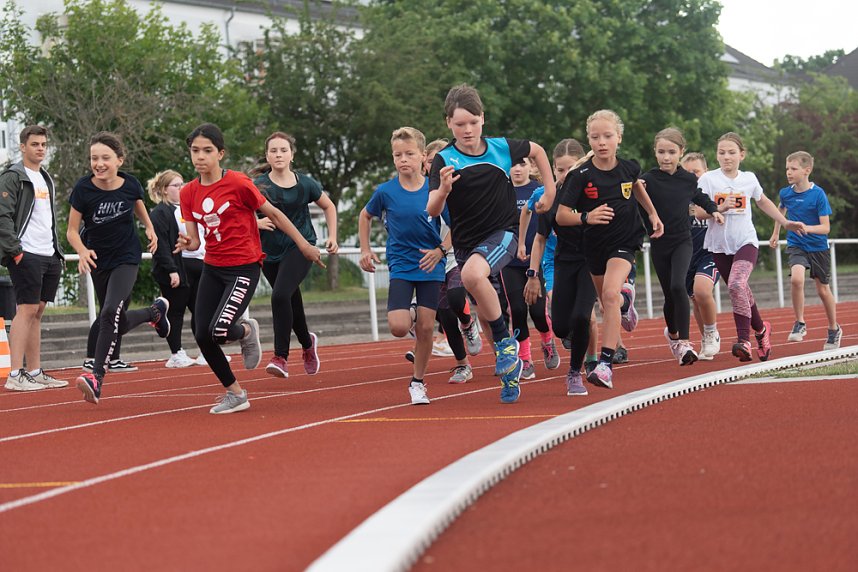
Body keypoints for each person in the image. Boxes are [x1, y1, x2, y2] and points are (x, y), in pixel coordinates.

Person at [175, 123, 323, 414]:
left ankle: (243, 331)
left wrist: (304, 245)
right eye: (195, 151)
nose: (200, 157)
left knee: (218, 330)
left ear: (220, 153)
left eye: (207, 151)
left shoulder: (239, 183)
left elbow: (275, 214)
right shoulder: (188, 192)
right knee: (202, 334)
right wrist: (186, 242)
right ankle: (236, 393)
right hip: (213, 268)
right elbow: (194, 241)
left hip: (243, 267)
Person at [427, 84, 556, 404]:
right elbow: (432, 209)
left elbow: (538, 150)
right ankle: (510, 377)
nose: (467, 130)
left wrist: (550, 192)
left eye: (473, 122)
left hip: (504, 234)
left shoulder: (501, 148)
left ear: (483, 119)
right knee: (486, 311)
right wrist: (443, 189)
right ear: (448, 124)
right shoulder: (444, 158)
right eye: (459, 124)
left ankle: (505, 344)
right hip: (467, 243)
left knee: (470, 276)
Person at [556, 109, 664, 389]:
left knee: (610, 294)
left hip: (625, 242)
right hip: (593, 246)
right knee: (607, 303)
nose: (601, 142)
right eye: (595, 137)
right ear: (588, 140)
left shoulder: (628, 167)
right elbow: (561, 215)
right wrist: (586, 217)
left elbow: (636, 187)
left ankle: (604, 364)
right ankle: (624, 303)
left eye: (608, 136)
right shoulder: (580, 175)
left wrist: (652, 214)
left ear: (619, 138)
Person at [67, 132, 171, 404]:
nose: (98, 164)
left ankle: (96, 377)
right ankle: (154, 312)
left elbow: (139, 208)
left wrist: (150, 228)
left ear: (119, 160)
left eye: (105, 158)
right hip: (99, 260)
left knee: (110, 312)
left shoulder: (131, 184)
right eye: (93, 158)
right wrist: (81, 250)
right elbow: (71, 231)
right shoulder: (83, 189)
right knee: (115, 320)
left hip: (127, 257)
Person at [696, 132, 805, 362]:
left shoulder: (749, 179)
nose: (726, 157)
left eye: (731, 152)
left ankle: (743, 340)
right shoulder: (708, 180)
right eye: (721, 152)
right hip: (719, 245)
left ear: (741, 155)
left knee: (736, 284)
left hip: (746, 241)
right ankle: (762, 330)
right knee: (740, 290)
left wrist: (785, 223)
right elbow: (697, 212)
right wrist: (719, 209)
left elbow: (763, 201)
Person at [359, 127, 446, 404]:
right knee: (398, 327)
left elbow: (456, 226)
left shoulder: (436, 191)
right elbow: (365, 215)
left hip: (431, 264)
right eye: (398, 155)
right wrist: (365, 249)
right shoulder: (385, 191)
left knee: (426, 329)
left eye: (409, 154)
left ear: (423, 156)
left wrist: (441, 250)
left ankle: (417, 382)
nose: (403, 159)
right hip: (401, 263)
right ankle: (410, 310)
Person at [253, 132, 338, 378]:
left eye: (283, 150)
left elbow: (329, 206)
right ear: (267, 155)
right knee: (291, 299)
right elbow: (242, 213)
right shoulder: (258, 186)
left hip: (301, 247)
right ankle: (307, 343)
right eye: (273, 151)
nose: (278, 155)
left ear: (292, 154)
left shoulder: (305, 183)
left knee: (279, 295)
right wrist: (256, 224)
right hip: (269, 251)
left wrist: (332, 236)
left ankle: (280, 357)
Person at [642, 128, 724, 365]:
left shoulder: (688, 179)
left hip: (682, 241)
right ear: (655, 153)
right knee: (669, 295)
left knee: (679, 286)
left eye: (671, 152)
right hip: (659, 243)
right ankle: (674, 336)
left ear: (681, 152)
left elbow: (700, 197)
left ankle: (685, 343)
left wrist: (715, 210)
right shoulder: (647, 180)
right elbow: (635, 204)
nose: (666, 157)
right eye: (661, 152)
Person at [522, 139, 595, 396]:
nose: (565, 175)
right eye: (559, 169)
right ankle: (570, 339)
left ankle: (576, 373)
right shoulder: (548, 199)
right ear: (552, 169)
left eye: (569, 169)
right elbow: (540, 239)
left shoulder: (590, 192)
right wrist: (532, 275)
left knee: (582, 317)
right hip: (562, 263)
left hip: (590, 262)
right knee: (562, 326)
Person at [0, 125, 68, 391]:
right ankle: (15, 374)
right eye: (35, 144)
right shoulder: (13, 176)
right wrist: (15, 250)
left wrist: (56, 251)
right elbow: (3, 216)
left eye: (43, 144)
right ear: (22, 147)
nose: (40, 148)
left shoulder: (46, 177)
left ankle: (35, 370)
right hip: (25, 253)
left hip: (48, 253)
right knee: (25, 310)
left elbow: (47, 219)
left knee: (37, 312)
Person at [769, 151, 841, 350]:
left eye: (793, 169)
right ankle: (800, 323)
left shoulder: (818, 194)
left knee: (822, 290)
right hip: (796, 244)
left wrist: (806, 228)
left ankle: (834, 329)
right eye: (787, 169)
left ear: (806, 170)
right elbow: (780, 210)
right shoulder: (786, 193)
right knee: (796, 279)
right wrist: (775, 233)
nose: (789, 172)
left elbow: (826, 228)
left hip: (818, 246)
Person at [508, 157, 559, 380]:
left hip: (537, 259)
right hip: (508, 261)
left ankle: (547, 339)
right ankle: (525, 360)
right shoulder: (502, 191)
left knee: (538, 312)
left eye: (523, 164)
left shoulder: (539, 190)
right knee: (517, 310)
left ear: (532, 167)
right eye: (513, 164)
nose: (518, 169)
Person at [148, 170, 198, 368]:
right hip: (173, 270)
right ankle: (176, 353)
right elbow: (160, 245)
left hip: (192, 267)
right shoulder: (160, 213)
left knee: (200, 310)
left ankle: (206, 351)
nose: (181, 188)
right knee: (175, 313)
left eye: (182, 184)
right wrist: (171, 269)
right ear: (164, 190)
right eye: (176, 185)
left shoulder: (187, 208)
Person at [680, 152, 722, 360]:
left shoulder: (713, 194)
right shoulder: (678, 195)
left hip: (710, 252)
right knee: (695, 299)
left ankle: (712, 332)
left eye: (696, 172)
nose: (692, 177)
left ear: (705, 172)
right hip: (687, 254)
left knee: (702, 291)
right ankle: (706, 335)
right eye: (687, 173)